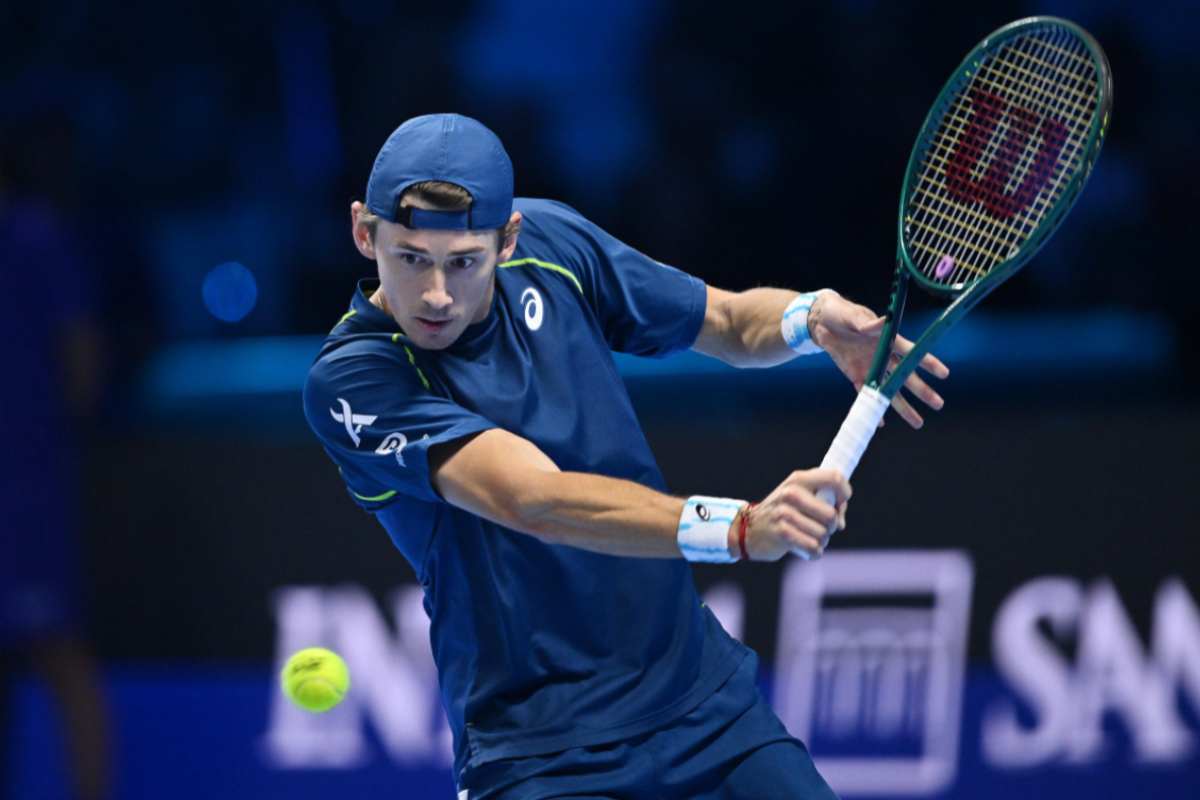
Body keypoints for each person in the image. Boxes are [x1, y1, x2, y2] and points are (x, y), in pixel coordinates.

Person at [303, 113, 948, 799]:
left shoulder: (553, 247)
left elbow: (726, 323)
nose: (436, 293)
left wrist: (811, 318)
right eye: (411, 258)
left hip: (704, 707)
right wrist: (735, 529)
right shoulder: (353, 381)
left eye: (464, 262)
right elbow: (534, 500)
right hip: (539, 751)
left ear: (508, 237)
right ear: (363, 233)